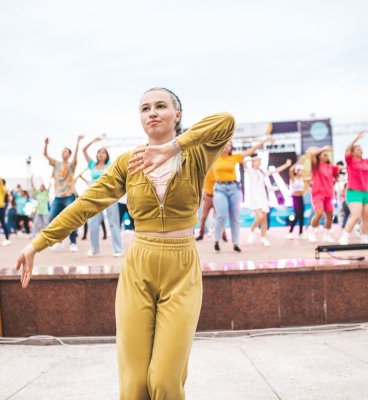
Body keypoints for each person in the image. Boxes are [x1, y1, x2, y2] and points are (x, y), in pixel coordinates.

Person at [16, 87, 235, 399]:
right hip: (139, 268)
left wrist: (173, 148)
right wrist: (37, 243)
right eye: (145, 108)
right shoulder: (127, 163)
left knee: (164, 381)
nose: (152, 113)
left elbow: (226, 121)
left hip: (182, 268)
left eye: (161, 106)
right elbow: (86, 203)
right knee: (133, 384)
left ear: (177, 115)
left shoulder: (197, 154)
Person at [212, 136, 274, 253]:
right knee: (221, 216)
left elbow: (251, 150)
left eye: (230, 145)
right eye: (225, 144)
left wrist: (265, 140)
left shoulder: (234, 157)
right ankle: (216, 240)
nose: (227, 146)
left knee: (235, 217)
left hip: (234, 188)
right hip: (220, 188)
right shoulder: (214, 158)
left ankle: (235, 243)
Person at [82, 137, 123, 257]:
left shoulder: (110, 165)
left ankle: (118, 249)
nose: (101, 153)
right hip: (95, 197)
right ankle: (94, 249)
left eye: (103, 152)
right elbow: (84, 150)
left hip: (109, 195)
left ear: (107, 155)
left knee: (113, 223)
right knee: (93, 223)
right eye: (99, 152)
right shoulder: (92, 165)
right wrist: (93, 141)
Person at [44, 135, 83, 252]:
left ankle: (73, 242)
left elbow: (76, 157)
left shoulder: (71, 166)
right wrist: (46, 144)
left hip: (69, 196)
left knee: (72, 219)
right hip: (58, 196)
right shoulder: (56, 164)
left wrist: (78, 142)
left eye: (65, 152)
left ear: (69, 154)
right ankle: (58, 241)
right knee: (52, 218)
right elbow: (45, 155)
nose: (63, 153)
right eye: (62, 151)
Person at [247, 154, 291, 246]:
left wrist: (286, 165)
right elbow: (242, 161)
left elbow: (275, 171)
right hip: (254, 198)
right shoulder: (250, 171)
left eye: (259, 161)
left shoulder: (262, 172)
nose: (258, 162)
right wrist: (253, 158)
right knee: (260, 216)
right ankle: (251, 231)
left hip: (263, 198)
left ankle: (263, 238)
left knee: (264, 219)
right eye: (256, 161)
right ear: (253, 162)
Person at [307, 146, 341, 243]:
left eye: (327, 155)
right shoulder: (316, 165)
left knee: (330, 216)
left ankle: (326, 235)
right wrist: (324, 148)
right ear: (319, 156)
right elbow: (312, 154)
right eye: (324, 155)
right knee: (319, 213)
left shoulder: (331, 166)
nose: (326, 156)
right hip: (318, 193)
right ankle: (311, 231)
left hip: (329, 194)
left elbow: (338, 170)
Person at [195, 170, 227, 242]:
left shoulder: (217, 173)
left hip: (216, 197)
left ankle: (224, 235)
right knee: (203, 217)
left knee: (219, 217)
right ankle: (201, 234)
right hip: (207, 197)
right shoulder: (205, 173)